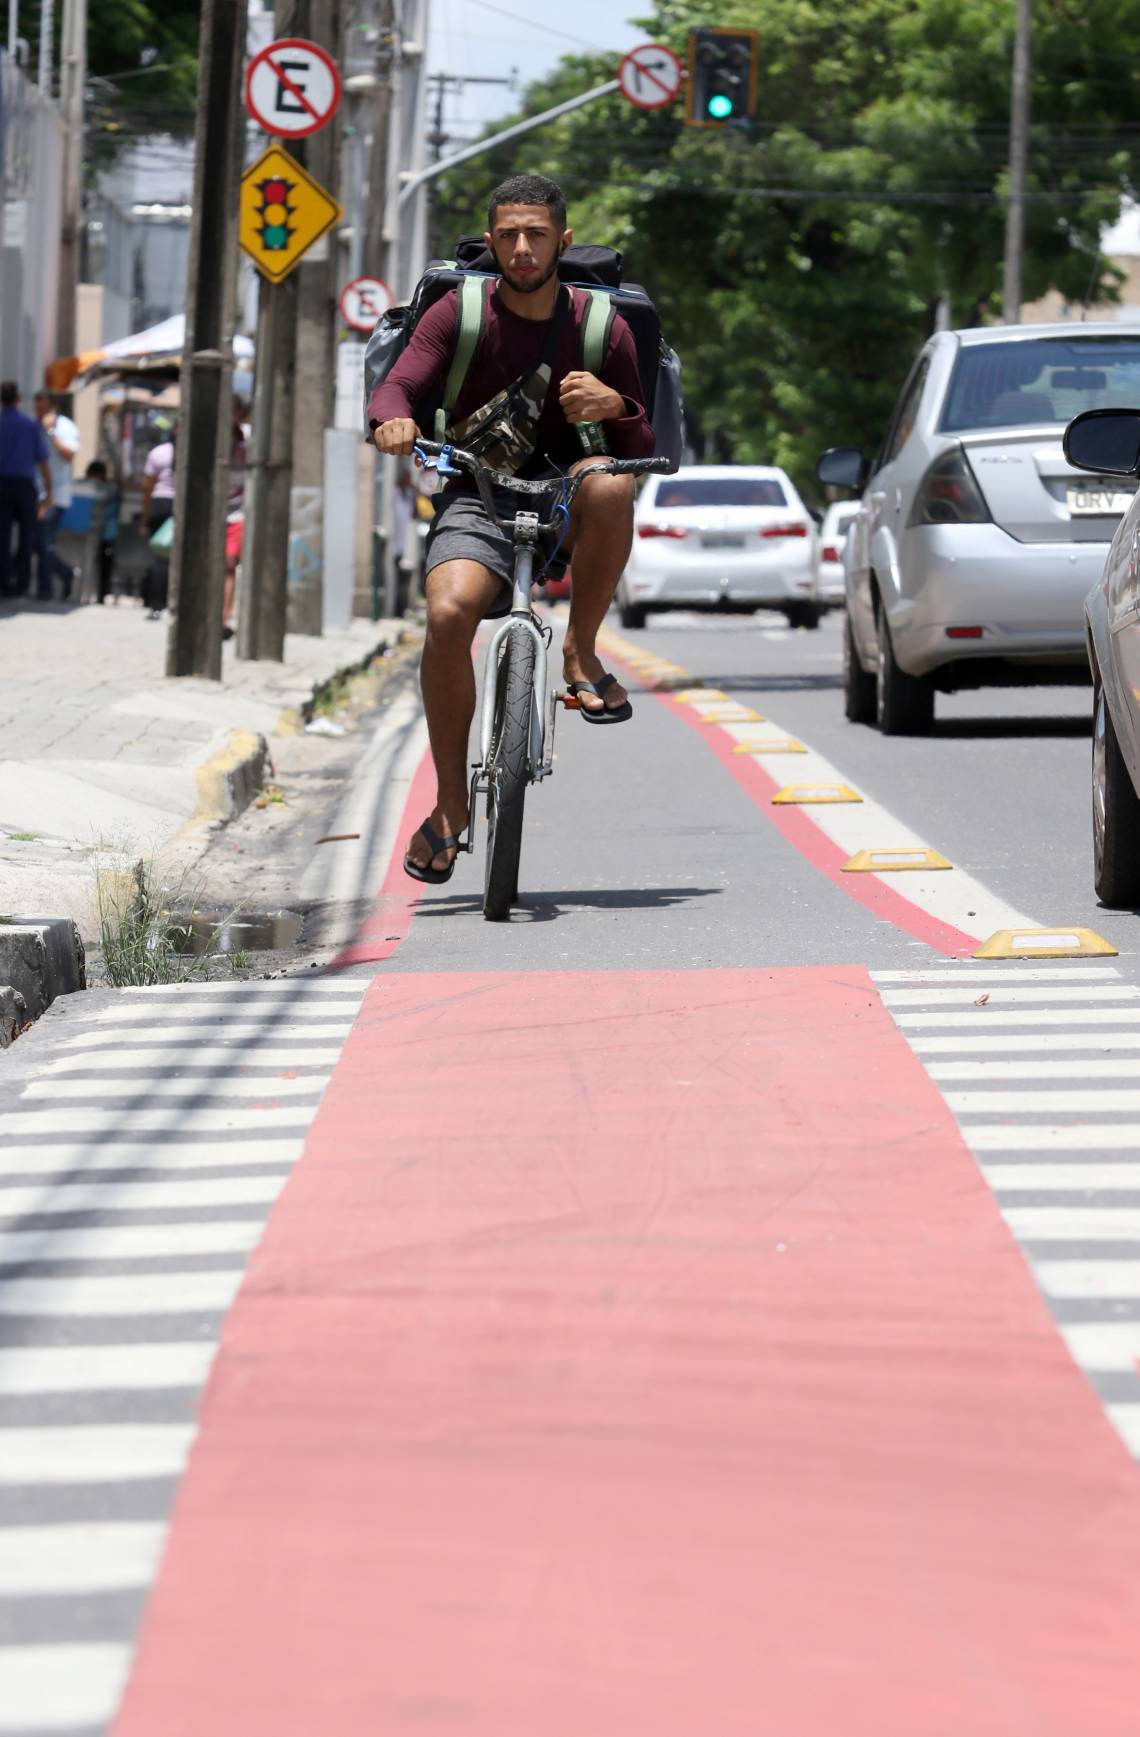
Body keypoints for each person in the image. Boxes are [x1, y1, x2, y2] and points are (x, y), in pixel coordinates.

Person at [369, 172, 655, 882]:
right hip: (478, 488)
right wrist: (393, 421)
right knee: (448, 612)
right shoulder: (457, 313)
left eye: (535, 235)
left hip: (569, 493)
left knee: (614, 483)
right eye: (507, 235)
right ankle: (450, 808)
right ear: (491, 239)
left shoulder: (601, 326)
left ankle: (581, 655)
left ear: (562, 239)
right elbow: (398, 385)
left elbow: (643, 430)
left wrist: (615, 402)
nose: (522, 248)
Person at [0, 382, 52, 599]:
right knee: (26, 537)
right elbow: (43, 461)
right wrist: (49, 491)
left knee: (2, 536)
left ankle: (3, 582)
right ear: (19, 398)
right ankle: (21, 583)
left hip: (2, 484)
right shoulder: (30, 426)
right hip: (24, 485)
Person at [33, 389, 80, 601]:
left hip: (56, 495)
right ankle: (63, 572)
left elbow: (69, 455)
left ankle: (46, 589)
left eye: (42, 407)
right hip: (35, 492)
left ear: (52, 405)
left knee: (44, 542)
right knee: (35, 543)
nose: (38, 411)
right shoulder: (34, 425)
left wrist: (52, 433)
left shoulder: (65, 427)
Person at [140, 426, 176, 619]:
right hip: (182, 505)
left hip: (160, 504)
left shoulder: (158, 453)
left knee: (160, 558)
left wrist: (144, 518)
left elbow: (147, 486)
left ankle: (155, 605)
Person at [84, 460, 121, 603]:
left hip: (106, 533)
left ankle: (102, 594)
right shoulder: (110, 488)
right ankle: (99, 594)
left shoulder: (107, 489)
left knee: (104, 564)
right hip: (101, 532)